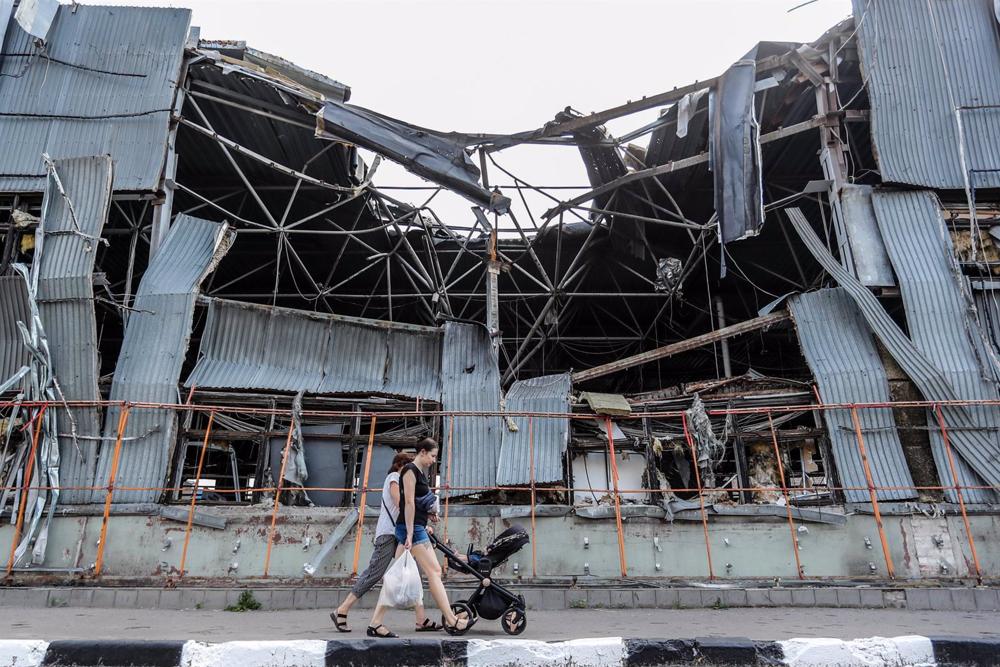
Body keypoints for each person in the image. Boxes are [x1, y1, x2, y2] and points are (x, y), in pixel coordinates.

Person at [365, 438, 470, 638]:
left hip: (415, 527)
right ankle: (452, 620)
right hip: (410, 530)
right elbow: (409, 504)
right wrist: (411, 534)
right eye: (432, 456)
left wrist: (429, 515)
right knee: (435, 571)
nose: (433, 460)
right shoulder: (410, 471)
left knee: (396, 577)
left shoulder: (419, 472)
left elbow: (417, 503)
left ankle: (375, 623)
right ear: (422, 452)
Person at [331, 452, 441, 633]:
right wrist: (420, 520)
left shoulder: (403, 479)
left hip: (402, 534)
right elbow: (401, 503)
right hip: (389, 535)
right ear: (400, 465)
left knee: (413, 572)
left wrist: (424, 517)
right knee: (375, 573)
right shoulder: (394, 477)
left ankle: (421, 619)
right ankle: (342, 610)